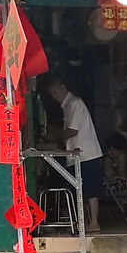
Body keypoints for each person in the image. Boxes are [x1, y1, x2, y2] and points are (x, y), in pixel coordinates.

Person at [45, 74, 105, 230]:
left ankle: (94, 222)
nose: (55, 97)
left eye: (56, 93)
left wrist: (55, 134)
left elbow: (72, 131)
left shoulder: (75, 104)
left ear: (63, 87)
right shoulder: (68, 106)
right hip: (77, 154)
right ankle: (85, 222)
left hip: (87, 154)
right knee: (82, 190)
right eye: (52, 94)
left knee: (90, 190)